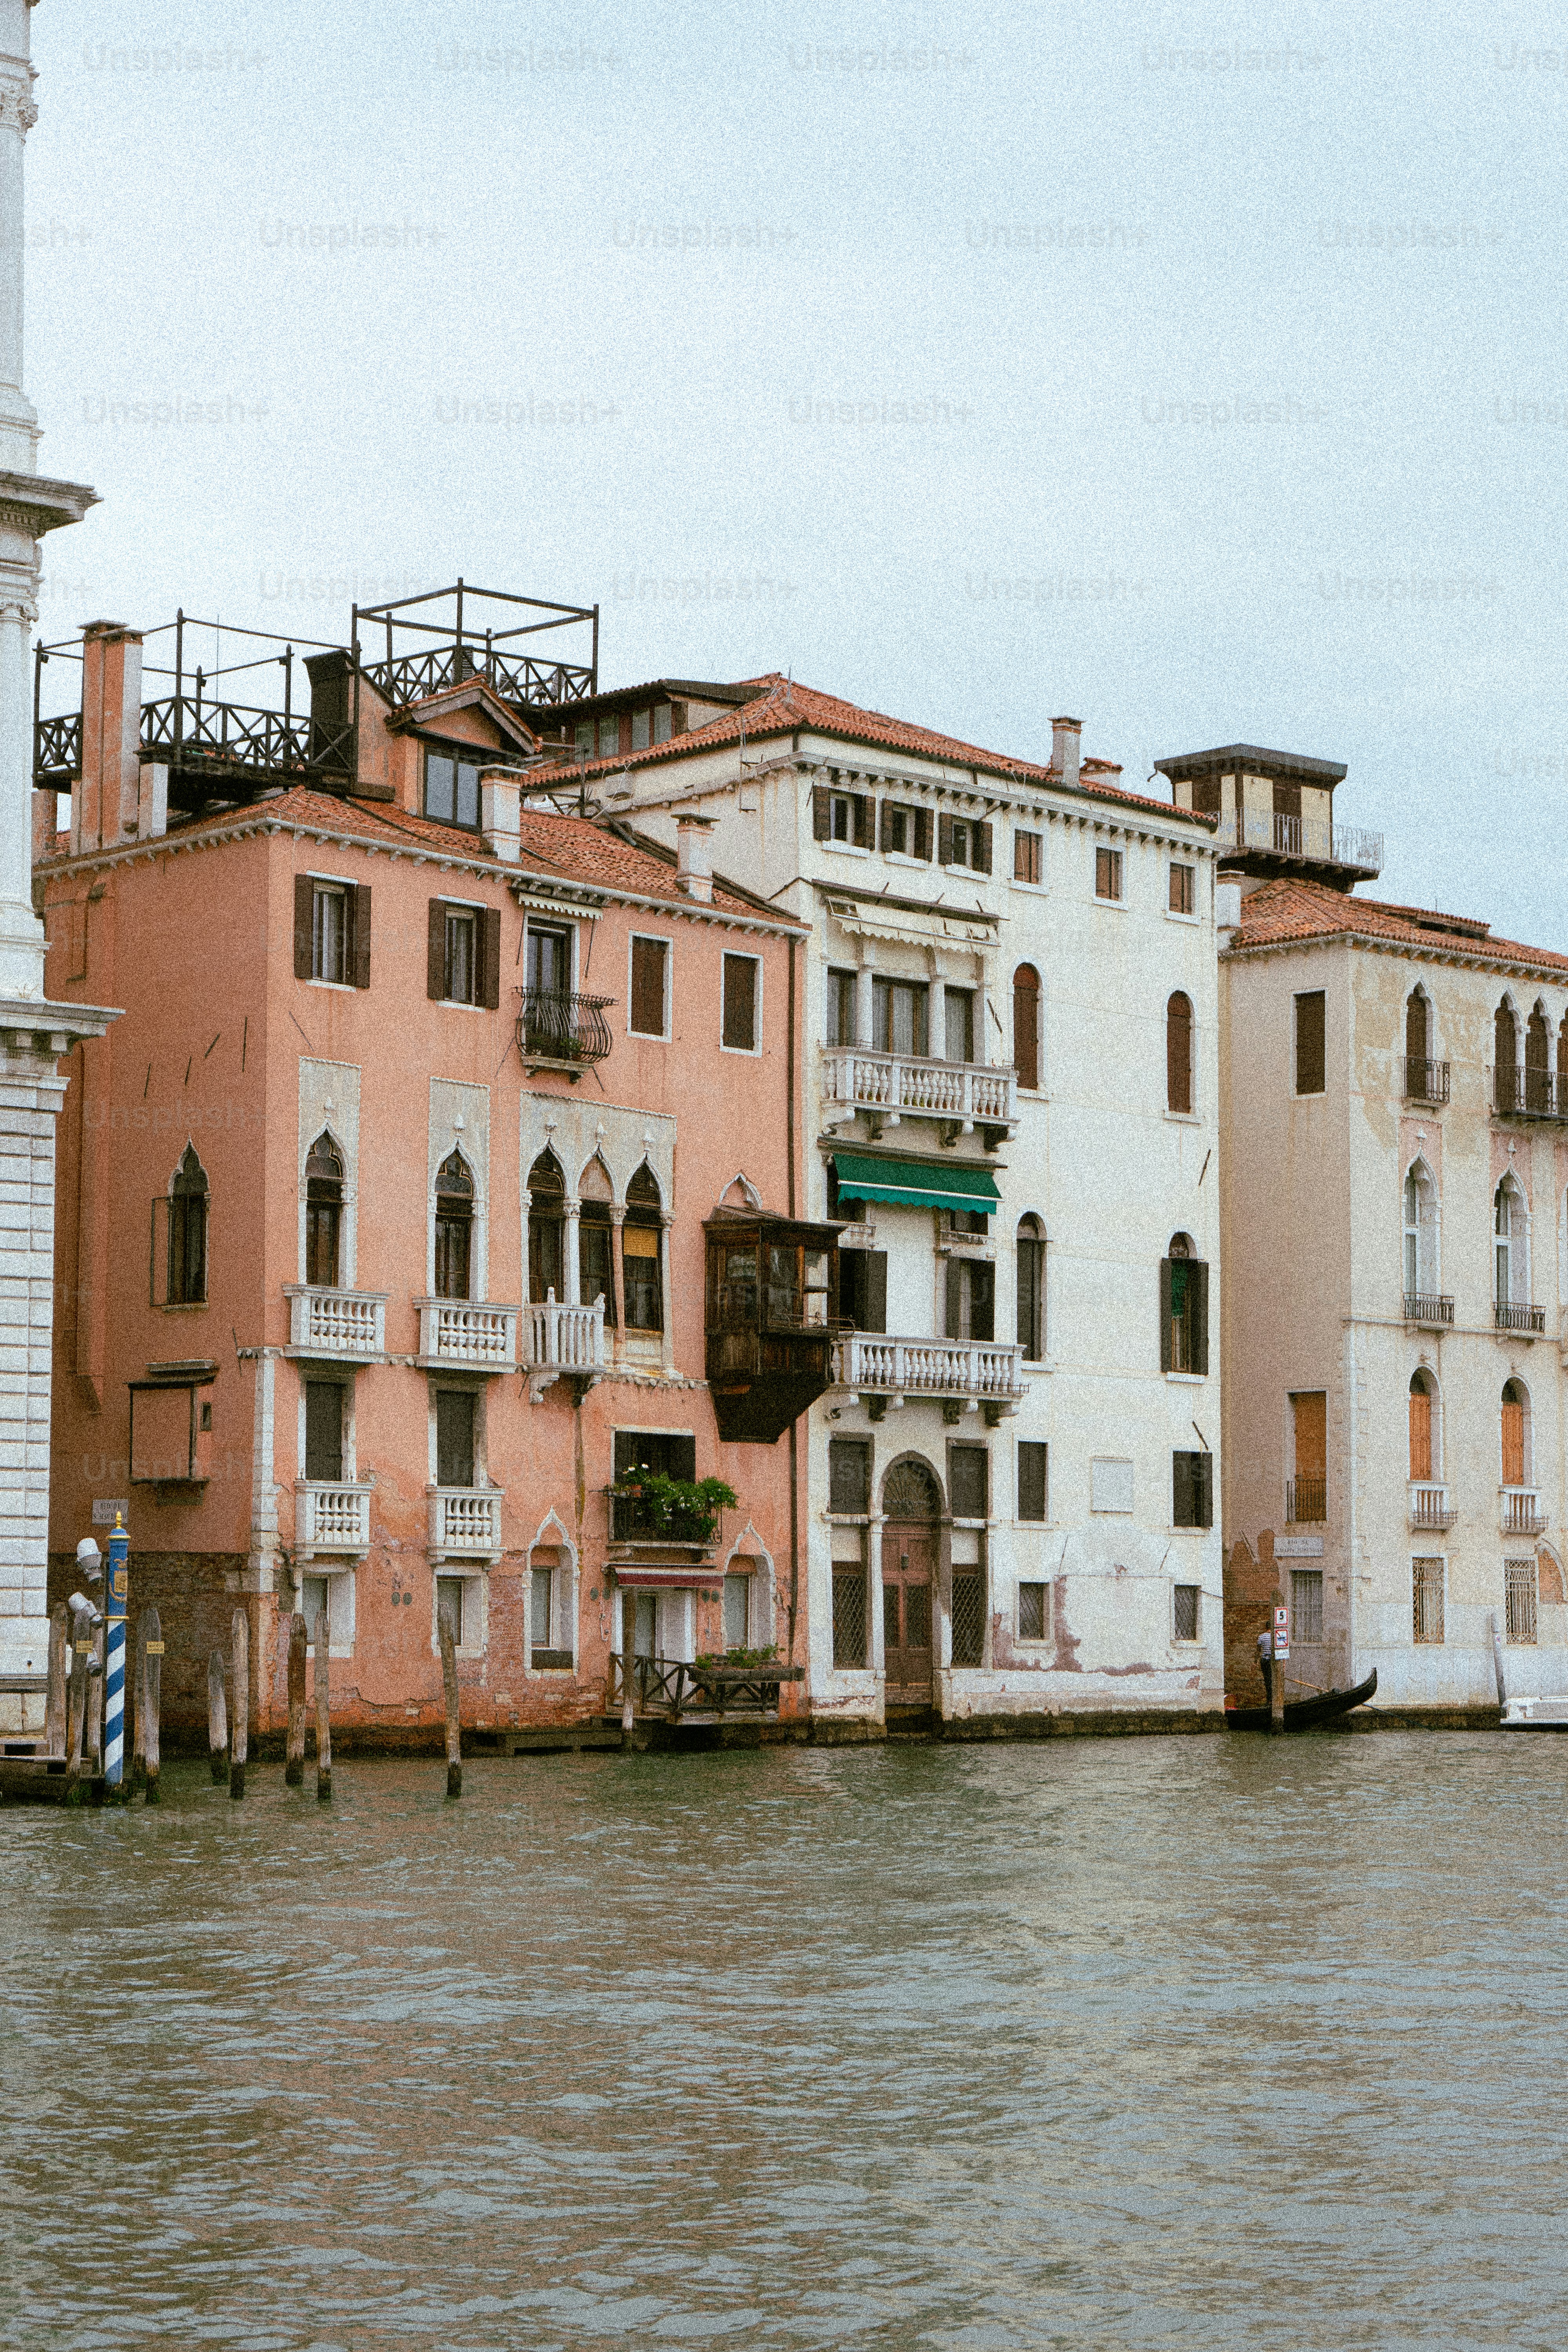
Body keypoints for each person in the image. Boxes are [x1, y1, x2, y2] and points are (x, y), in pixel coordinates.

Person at [1256, 1621, 1274, 1707]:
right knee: (1272, 1681)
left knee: (1267, 1681)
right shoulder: (1274, 1637)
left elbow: (1258, 1651)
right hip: (1272, 1661)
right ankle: (1272, 1700)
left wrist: (1255, 1663)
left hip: (1264, 1661)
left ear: (1266, 1627)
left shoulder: (1261, 1637)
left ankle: (1269, 1701)